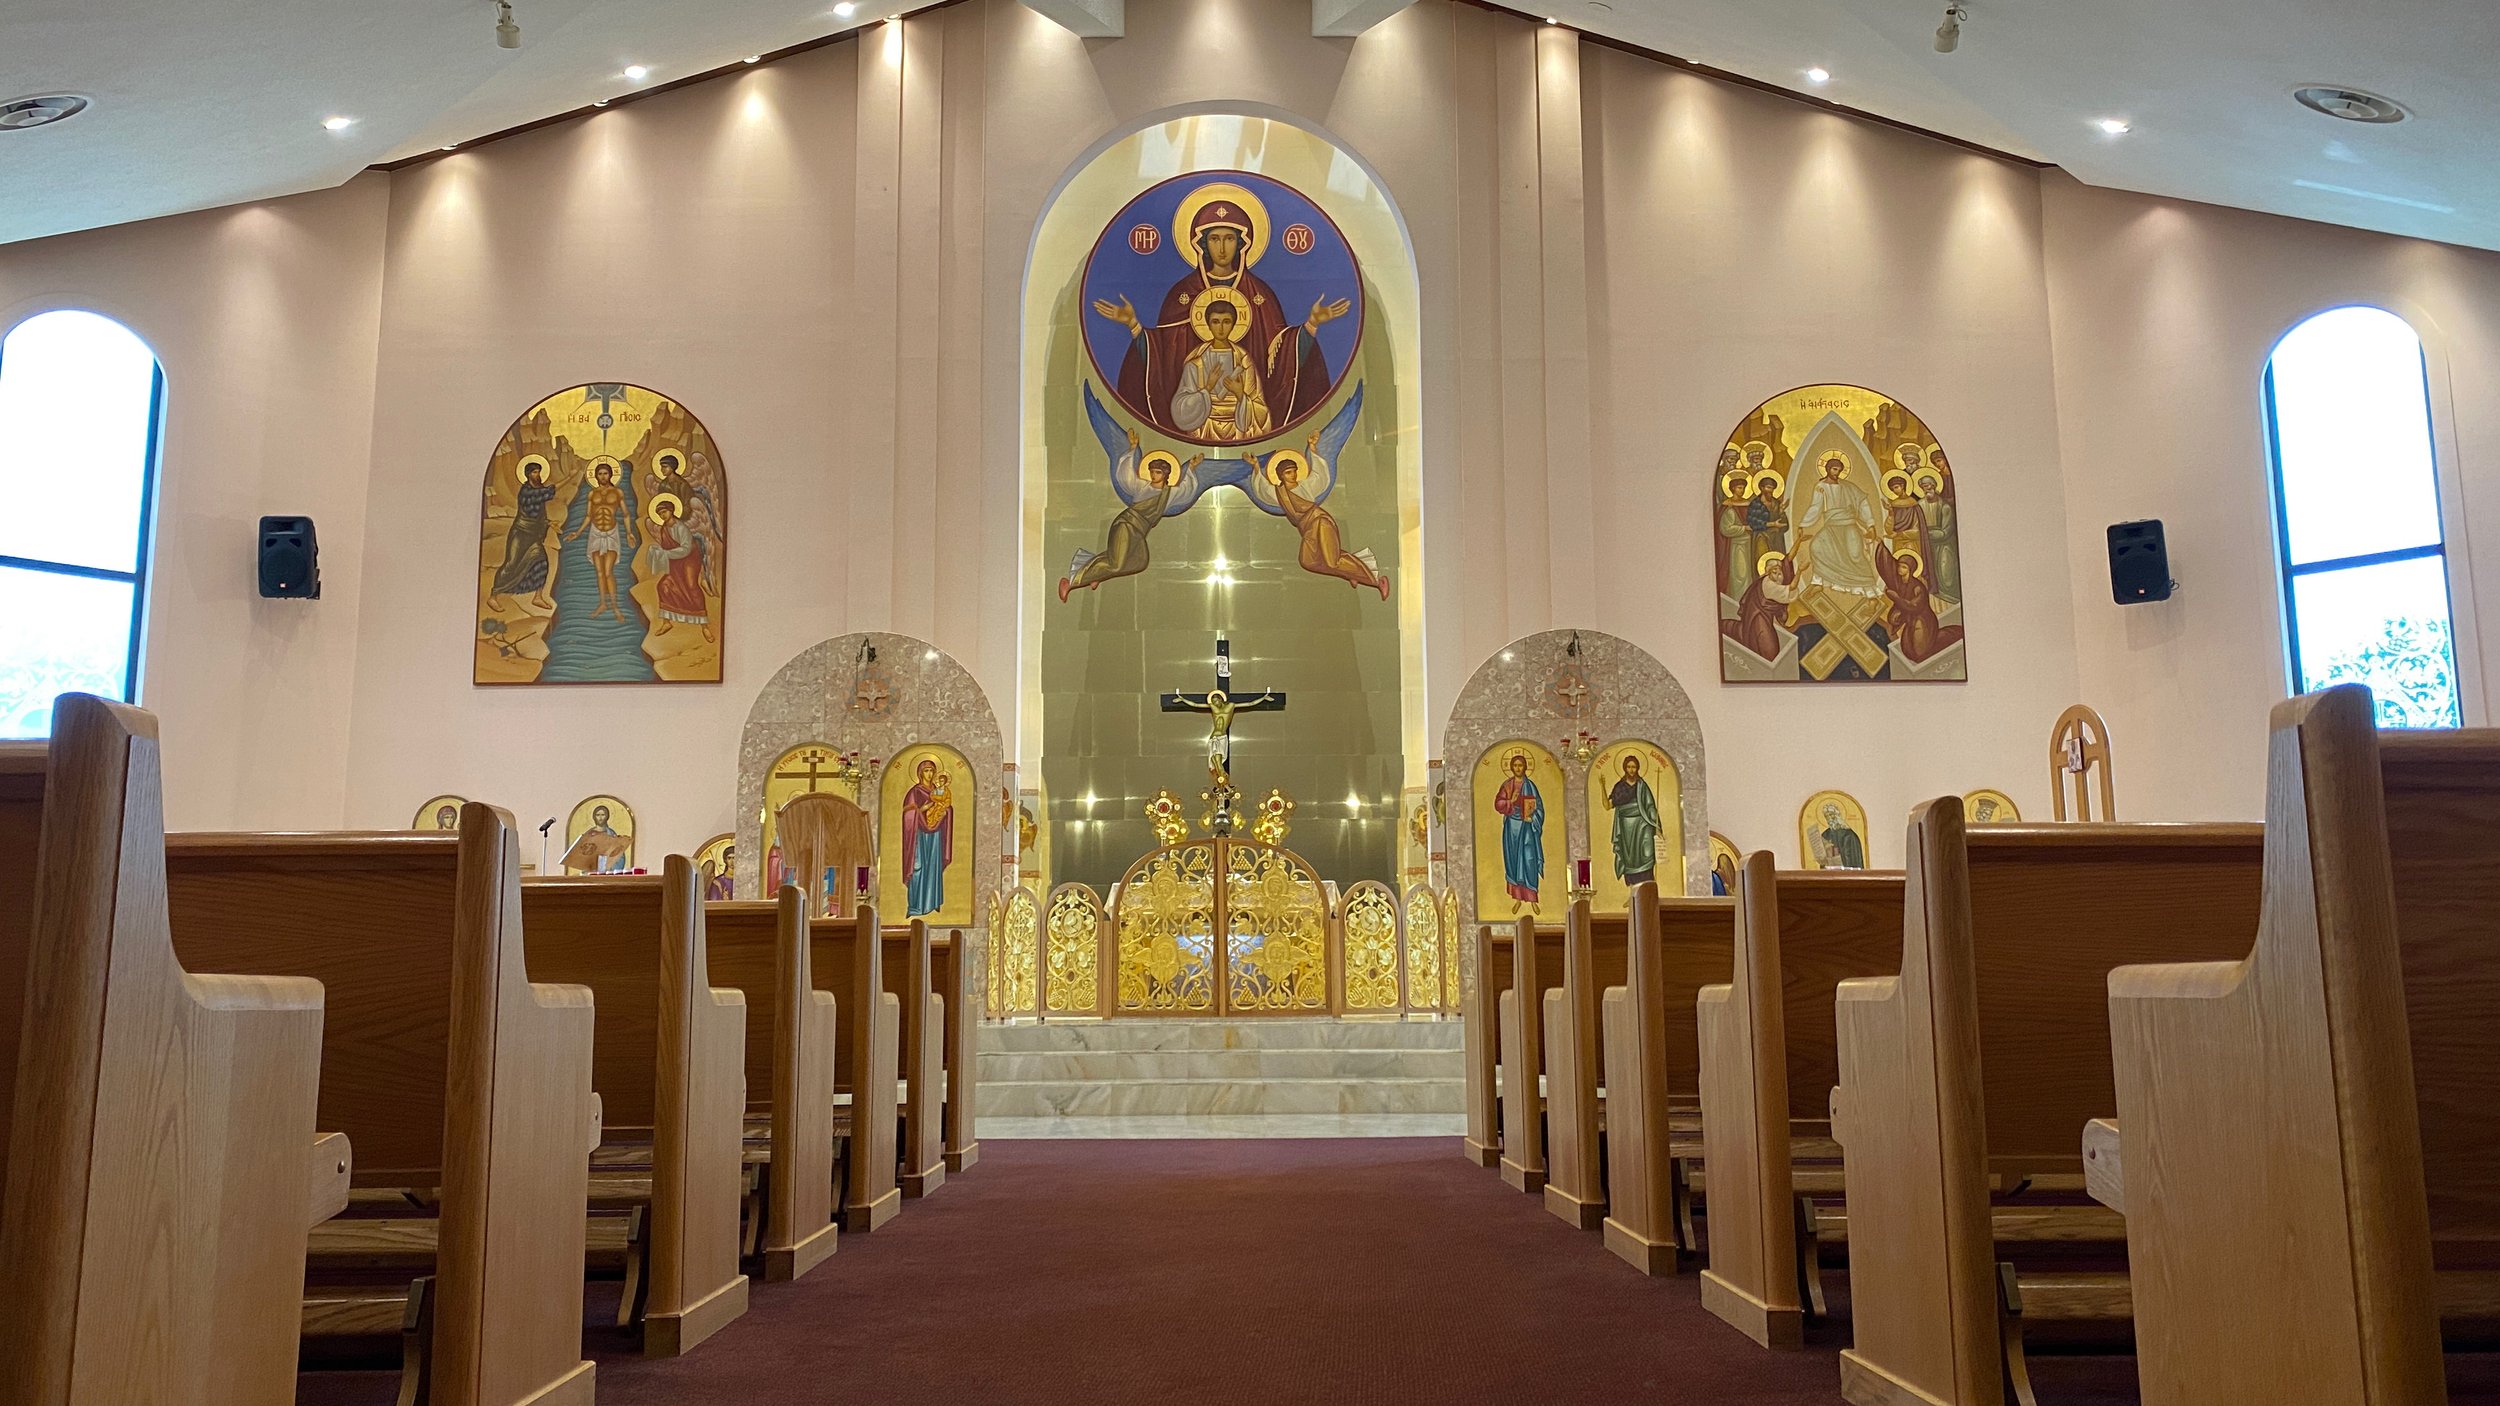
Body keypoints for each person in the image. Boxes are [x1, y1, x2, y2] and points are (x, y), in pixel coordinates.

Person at [1093, 189, 1350, 439]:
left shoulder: (1259, 293)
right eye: (1214, 239)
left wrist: (1311, 325)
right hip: (1198, 421)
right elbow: (1161, 352)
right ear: (1203, 244)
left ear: (1241, 243)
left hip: (1244, 420)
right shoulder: (1183, 292)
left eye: (1229, 239)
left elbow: (1281, 353)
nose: (1222, 248)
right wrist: (1133, 325)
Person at [1061, 436, 1202, 599]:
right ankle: (1071, 582)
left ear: (1165, 474)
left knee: (1139, 562)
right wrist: (1133, 449)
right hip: (1125, 524)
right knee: (1117, 564)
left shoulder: (1169, 493)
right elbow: (1126, 476)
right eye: (1152, 471)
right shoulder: (1141, 486)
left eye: (1158, 472)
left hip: (1139, 532)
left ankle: (1096, 573)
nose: (1154, 475)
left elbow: (1186, 490)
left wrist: (1191, 468)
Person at [1271, 444, 1388, 599]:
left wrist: (1313, 449)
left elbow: (1319, 475)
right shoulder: (1280, 493)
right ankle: (1350, 573)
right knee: (1308, 561)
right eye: (1288, 472)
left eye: (1294, 471)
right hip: (1308, 528)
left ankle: (1377, 581)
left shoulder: (1306, 485)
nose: (1292, 475)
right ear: (1280, 475)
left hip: (1321, 521)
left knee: (1332, 561)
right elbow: (1263, 489)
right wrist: (1256, 468)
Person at [1169, 290, 1272, 442]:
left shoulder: (1244, 361)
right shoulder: (1196, 364)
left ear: (1233, 325)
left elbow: (1260, 409)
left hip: (1238, 432)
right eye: (1216, 322)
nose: (1221, 328)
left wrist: (1240, 394)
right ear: (1208, 325)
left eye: (1226, 322)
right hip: (1205, 429)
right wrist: (1207, 388)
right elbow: (1180, 409)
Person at [490, 456, 575, 610]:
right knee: (511, 564)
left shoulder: (536, 490)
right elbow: (548, 491)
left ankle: (537, 597)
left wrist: (549, 523)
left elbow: (536, 513)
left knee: (541, 562)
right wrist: (569, 477)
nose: (538, 475)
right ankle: (493, 596)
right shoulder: (527, 491)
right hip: (521, 534)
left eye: (539, 472)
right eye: (535, 472)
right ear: (528, 474)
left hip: (533, 535)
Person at [1796, 453, 1882, 598]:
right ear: (1828, 469)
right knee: (1817, 546)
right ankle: (1818, 582)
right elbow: (1815, 507)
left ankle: (1869, 589)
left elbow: (1863, 503)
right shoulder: (1820, 487)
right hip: (1832, 525)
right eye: (1834, 469)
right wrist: (1803, 524)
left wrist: (1870, 524)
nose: (1837, 473)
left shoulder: (1848, 487)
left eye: (1839, 470)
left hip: (1848, 524)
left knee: (1855, 554)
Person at [564, 460, 635, 620]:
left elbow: (625, 514)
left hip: (611, 533)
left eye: (605, 473)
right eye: (600, 474)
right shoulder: (592, 494)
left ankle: (615, 606)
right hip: (595, 533)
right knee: (600, 572)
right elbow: (588, 516)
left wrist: (629, 533)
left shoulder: (617, 492)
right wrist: (577, 533)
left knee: (609, 572)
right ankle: (603, 603)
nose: (603, 476)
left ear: (610, 475)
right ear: (596, 476)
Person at [1876, 546, 1964, 664]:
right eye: (1899, 566)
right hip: (1911, 620)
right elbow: (1887, 566)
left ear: (1911, 569)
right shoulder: (1900, 584)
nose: (1899, 569)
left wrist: (1896, 598)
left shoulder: (1918, 587)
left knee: (1920, 654)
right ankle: (1943, 636)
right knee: (1908, 652)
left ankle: (1953, 634)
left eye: (1904, 567)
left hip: (1923, 621)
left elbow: (1913, 606)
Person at [645, 494, 715, 642]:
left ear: (671, 511)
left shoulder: (681, 527)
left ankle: (705, 626)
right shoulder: (664, 528)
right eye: (660, 514)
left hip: (689, 560)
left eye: (664, 512)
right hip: (675, 561)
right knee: (664, 585)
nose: (662, 516)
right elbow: (666, 546)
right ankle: (667, 622)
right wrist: (657, 551)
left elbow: (686, 549)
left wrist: (666, 553)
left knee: (691, 586)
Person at [901, 758, 954, 918]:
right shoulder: (914, 792)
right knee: (918, 866)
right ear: (920, 773)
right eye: (926, 771)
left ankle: (932, 901)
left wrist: (945, 812)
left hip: (936, 835)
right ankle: (915, 906)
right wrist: (921, 810)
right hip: (918, 836)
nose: (929, 774)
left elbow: (947, 807)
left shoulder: (940, 791)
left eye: (932, 771)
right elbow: (907, 814)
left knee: (933, 866)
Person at [1492, 752, 1545, 906]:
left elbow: (1539, 807)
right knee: (1513, 860)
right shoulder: (1507, 785)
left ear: (1525, 767)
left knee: (1529, 859)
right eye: (1515, 765)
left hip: (1527, 827)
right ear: (1511, 767)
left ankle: (1532, 898)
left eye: (1520, 765)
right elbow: (1498, 804)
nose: (1517, 768)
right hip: (1511, 828)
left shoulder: (1531, 786)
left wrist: (1533, 816)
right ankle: (1517, 899)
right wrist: (1510, 801)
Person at [1606, 754, 1662, 887]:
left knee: (1647, 852)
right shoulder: (1620, 786)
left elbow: (1650, 806)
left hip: (1643, 823)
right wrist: (1602, 786)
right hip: (1626, 826)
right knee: (1629, 858)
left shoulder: (1642, 785)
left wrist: (1656, 826)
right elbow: (1609, 804)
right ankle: (1633, 888)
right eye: (1629, 767)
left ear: (1638, 768)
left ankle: (1647, 888)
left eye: (1634, 767)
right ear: (1624, 768)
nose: (1631, 770)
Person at [1914, 469, 1960, 601]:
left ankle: (1951, 596)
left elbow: (1946, 531)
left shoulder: (1944, 506)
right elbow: (1916, 525)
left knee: (1946, 572)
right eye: (1923, 487)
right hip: (1927, 546)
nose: (1926, 489)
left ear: (1934, 486)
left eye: (1928, 485)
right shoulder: (1919, 505)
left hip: (1944, 544)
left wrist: (1926, 534)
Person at [1717, 458, 1756, 601]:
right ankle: (1739, 600)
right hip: (1736, 545)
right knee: (1740, 573)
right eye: (1739, 487)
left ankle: (1748, 600)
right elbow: (1725, 528)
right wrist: (1744, 528)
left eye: (1743, 487)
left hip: (1749, 544)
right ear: (1733, 488)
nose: (1742, 490)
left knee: (1749, 574)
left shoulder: (1748, 504)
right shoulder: (1729, 506)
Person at [1815, 802, 1865, 870]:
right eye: (1826, 816)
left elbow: (1854, 859)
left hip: (1847, 873)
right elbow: (1823, 860)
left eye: (1831, 815)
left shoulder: (1850, 835)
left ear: (1837, 815)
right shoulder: (1825, 834)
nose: (1829, 818)